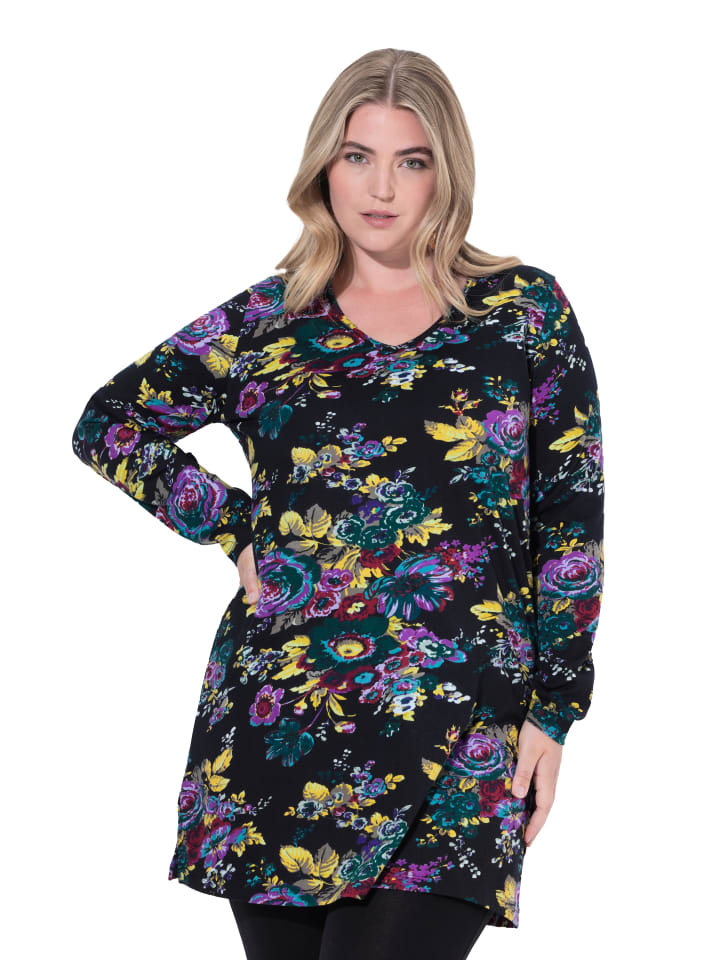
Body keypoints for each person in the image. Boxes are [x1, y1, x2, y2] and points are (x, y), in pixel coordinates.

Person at [71, 47, 604, 959]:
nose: (381, 188)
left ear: (447, 171)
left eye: (411, 160)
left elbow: (571, 520)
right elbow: (109, 423)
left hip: (463, 729)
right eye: (358, 156)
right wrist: (234, 527)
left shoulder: (521, 312)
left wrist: (556, 708)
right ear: (325, 165)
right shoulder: (270, 320)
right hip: (285, 723)